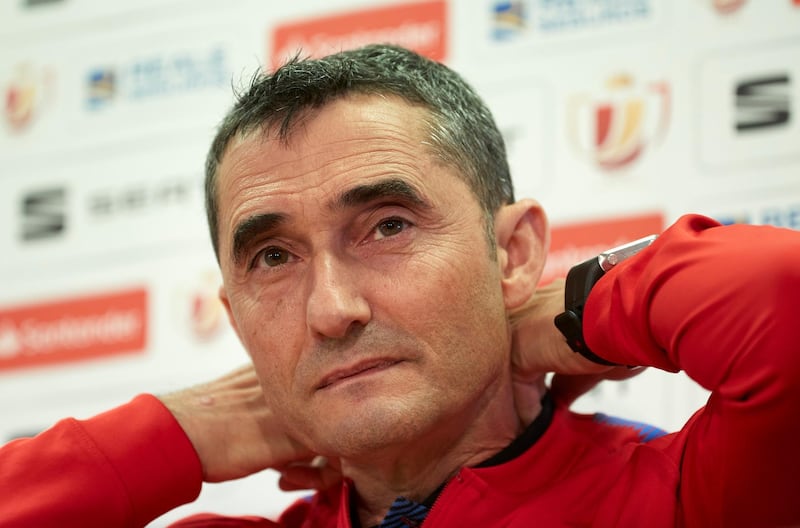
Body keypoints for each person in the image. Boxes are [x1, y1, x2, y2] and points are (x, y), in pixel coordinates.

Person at [1, 43, 799, 528]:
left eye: (388, 227)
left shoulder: (687, 500)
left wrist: (561, 317)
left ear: (514, 253)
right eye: (273, 259)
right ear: (236, 320)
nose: (332, 311)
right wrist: (190, 433)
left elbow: (777, 292)